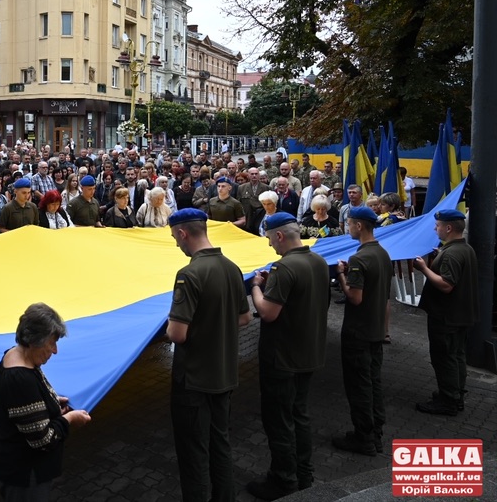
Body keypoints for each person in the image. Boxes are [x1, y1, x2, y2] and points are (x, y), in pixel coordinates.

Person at [166, 208, 251, 502]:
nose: (177, 244)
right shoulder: (232, 267)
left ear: (182, 233)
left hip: (194, 379)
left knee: (194, 453)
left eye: (175, 238)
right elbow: (244, 318)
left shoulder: (188, 274)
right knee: (220, 444)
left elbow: (177, 334)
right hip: (224, 373)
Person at [246, 213, 331, 500]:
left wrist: (257, 286)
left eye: (270, 239)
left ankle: (283, 480)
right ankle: (303, 473)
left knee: (280, 420)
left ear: (279, 236)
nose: (270, 245)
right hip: (309, 353)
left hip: (282, 356)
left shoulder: (283, 268)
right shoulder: (318, 261)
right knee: (300, 415)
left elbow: (268, 312)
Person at [0, 303, 91, 500]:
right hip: (25, 474)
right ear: (35, 341)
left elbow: (27, 406)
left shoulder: (14, 355)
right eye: (51, 343)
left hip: (15, 467)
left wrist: (52, 402)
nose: (55, 351)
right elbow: (42, 440)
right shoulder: (20, 379)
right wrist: (69, 419)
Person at [333, 205, 392, 455]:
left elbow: (355, 298)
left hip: (359, 331)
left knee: (359, 385)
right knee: (373, 382)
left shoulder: (359, 258)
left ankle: (363, 437)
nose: (348, 228)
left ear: (358, 226)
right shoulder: (383, 254)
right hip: (376, 329)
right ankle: (375, 431)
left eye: (349, 224)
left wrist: (342, 276)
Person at [413, 209, 478, 416]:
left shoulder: (451, 254)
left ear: (448, 228)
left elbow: (446, 285)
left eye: (438, 225)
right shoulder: (464, 249)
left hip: (446, 317)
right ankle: (455, 393)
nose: (435, 228)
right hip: (459, 315)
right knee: (457, 355)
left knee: (444, 357)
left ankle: (448, 400)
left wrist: (424, 269)